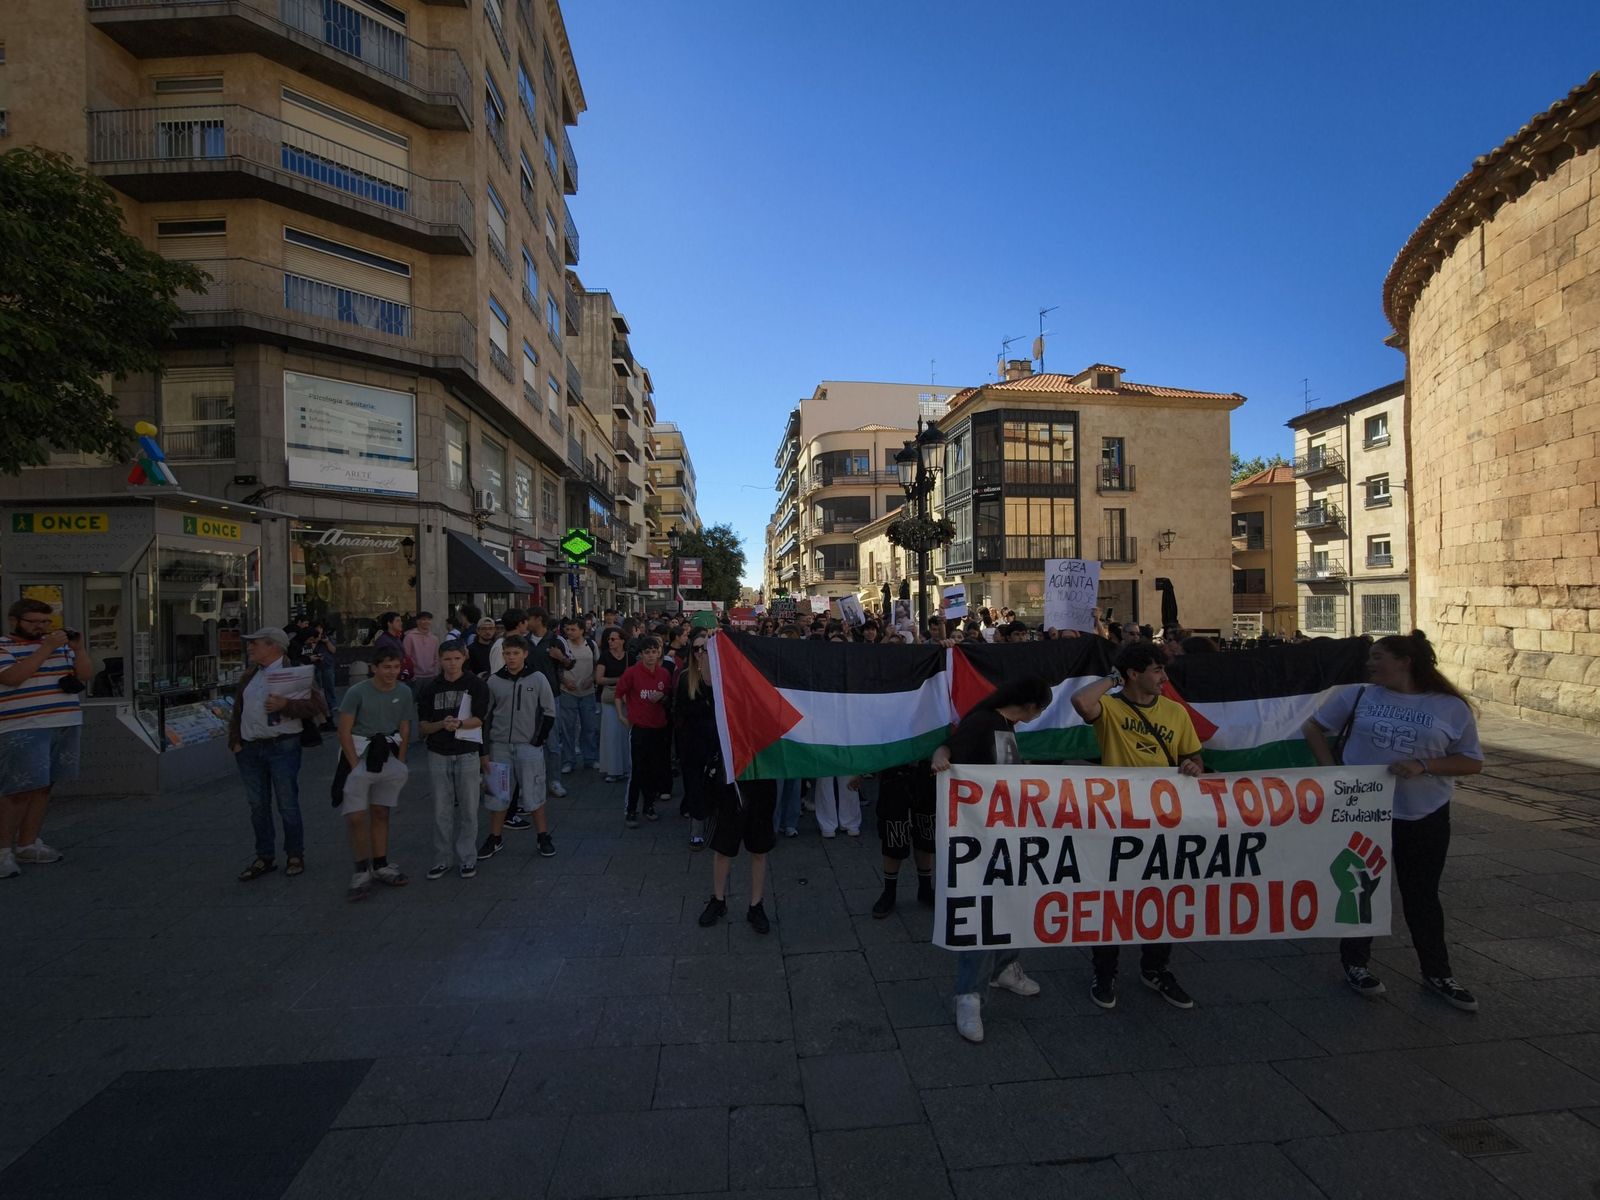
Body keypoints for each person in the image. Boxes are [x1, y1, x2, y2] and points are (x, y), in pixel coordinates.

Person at [1303, 631, 1484, 1011]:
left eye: (1378, 657)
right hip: (1365, 812)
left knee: (1422, 895)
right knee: (1361, 888)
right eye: (1370, 657)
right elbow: (1313, 727)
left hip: (1424, 813)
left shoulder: (1450, 707)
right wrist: (1332, 771)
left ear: (1405, 662)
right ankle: (1355, 963)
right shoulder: (1358, 695)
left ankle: (1437, 972)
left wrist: (1424, 765)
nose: (1370, 664)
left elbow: (1471, 761)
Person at [1071, 641, 1203, 1011]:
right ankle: (1104, 972)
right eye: (1157, 670)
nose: (1164, 678)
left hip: (1164, 819)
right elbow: (1081, 702)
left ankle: (1155, 968)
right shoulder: (1111, 708)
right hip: (1118, 817)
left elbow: (1194, 756)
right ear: (1133, 674)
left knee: (1161, 895)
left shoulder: (1175, 712)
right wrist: (1114, 679)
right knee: (1111, 896)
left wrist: (1193, 766)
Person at [930, 677, 1052, 1042]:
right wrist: (940, 758)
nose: (1040, 715)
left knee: (1013, 901)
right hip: (980, 834)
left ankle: (1004, 967)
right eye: (1041, 709)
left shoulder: (1005, 725)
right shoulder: (984, 721)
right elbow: (948, 748)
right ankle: (968, 995)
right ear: (1028, 705)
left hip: (1007, 830)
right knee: (983, 911)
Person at [0, 599, 93, 878]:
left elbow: (85, 675)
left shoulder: (59, 646)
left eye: (45, 622)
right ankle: (2, 851)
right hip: (23, 725)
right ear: (14, 620)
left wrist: (78, 649)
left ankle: (28, 844)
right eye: (33, 622)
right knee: (17, 790)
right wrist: (46, 648)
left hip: (64, 722)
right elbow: (13, 677)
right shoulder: (4, 646)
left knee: (43, 786)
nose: (40, 627)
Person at [229, 627, 326, 882]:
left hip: (282, 746)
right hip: (250, 748)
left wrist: (286, 705)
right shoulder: (250, 674)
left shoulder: (295, 673)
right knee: (257, 805)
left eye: (256, 644)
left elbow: (318, 706)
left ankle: (294, 854)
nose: (250, 648)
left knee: (287, 803)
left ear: (273, 646)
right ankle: (264, 856)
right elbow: (238, 710)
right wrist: (235, 741)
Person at [336, 646, 414, 901]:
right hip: (360, 753)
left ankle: (381, 863)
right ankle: (361, 869)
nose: (392, 672)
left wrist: (401, 759)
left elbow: (405, 725)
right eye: (386, 667)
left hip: (387, 753)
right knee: (356, 816)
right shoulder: (357, 692)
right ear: (374, 668)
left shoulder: (404, 691)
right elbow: (344, 729)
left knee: (381, 811)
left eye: (396, 667)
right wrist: (353, 763)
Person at [416, 642, 490, 880]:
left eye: (457, 658)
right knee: (441, 809)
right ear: (439, 660)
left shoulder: (476, 684)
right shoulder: (430, 688)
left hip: (467, 750)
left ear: (464, 658)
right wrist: (442, 724)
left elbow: (479, 719)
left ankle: (468, 857)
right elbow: (423, 726)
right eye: (447, 659)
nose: (452, 664)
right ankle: (442, 858)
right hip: (438, 752)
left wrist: (459, 724)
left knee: (469, 808)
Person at [483, 635, 558, 858]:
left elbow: (548, 711)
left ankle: (543, 835)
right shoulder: (494, 681)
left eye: (516, 653)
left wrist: (538, 739)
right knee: (497, 794)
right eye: (507, 653)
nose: (511, 658)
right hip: (500, 746)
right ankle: (495, 837)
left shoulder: (537, 679)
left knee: (534, 791)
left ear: (525, 654)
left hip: (528, 745)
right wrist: (485, 748)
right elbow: (486, 716)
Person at [615, 636, 672, 828]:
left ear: (659, 653)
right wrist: (621, 716)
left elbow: (669, 695)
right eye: (647, 652)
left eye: (654, 652)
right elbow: (619, 693)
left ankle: (649, 805)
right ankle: (631, 809)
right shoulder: (632, 672)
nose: (650, 656)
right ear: (641, 654)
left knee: (654, 769)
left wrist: (663, 697)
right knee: (637, 770)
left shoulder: (664, 674)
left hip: (659, 727)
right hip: (639, 728)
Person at [870, 760, 937, 916]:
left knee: (926, 829)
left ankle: (925, 887)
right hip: (894, 770)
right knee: (894, 831)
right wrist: (860, 770)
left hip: (927, 769)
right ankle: (889, 892)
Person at [672, 632, 718, 849]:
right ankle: (696, 828)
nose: (700, 652)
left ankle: (713, 820)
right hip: (692, 742)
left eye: (704, 649)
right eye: (697, 649)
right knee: (694, 786)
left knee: (713, 784)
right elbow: (682, 710)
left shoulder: (720, 676)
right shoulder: (685, 677)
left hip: (714, 742)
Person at [524, 608, 574, 798]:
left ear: (538, 619)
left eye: (529, 618)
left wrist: (560, 657)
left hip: (551, 696)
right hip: (528, 697)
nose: (526, 622)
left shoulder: (556, 640)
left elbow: (570, 663)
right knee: (529, 741)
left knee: (552, 741)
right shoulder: (524, 641)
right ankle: (532, 781)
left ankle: (554, 780)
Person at [557, 616, 600, 774]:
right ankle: (569, 760)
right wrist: (564, 681)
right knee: (568, 728)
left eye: (573, 629)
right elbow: (557, 668)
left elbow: (597, 665)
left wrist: (592, 679)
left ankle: (590, 758)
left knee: (589, 727)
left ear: (582, 630)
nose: (570, 632)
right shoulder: (563, 645)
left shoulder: (591, 645)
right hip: (567, 691)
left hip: (587, 691)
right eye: (567, 629)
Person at [595, 627, 630, 782]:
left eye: (613, 639)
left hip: (625, 699)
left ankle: (627, 767)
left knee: (624, 734)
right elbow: (599, 679)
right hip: (610, 699)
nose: (610, 642)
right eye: (609, 639)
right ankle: (612, 769)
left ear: (622, 640)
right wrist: (619, 680)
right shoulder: (605, 657)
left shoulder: (629, 656)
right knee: (611, 734)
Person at [404, 611, 441, 693]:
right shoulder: (409, 637)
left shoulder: (434, 639)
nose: (426, 622)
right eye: (424, 619)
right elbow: (406, 657)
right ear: (418, 621)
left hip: (431, 676)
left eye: (429, 619)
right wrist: (411, 674)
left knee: (428, 699)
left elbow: (436, 657)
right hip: (415, 677)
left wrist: (436, 673)